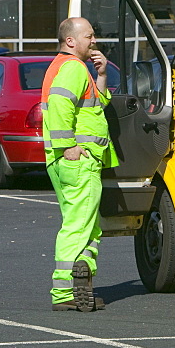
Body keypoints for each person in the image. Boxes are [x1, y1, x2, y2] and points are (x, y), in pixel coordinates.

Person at [43, 17, 116, 312]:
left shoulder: (69, 67)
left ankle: (80, 280)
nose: (94, 41)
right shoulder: (73, 67)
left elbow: (95, 106)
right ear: (71, 41)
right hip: (79, 160)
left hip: (66, 161)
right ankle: (64, 292)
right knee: (78, 226)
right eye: (89, 36)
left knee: (87, 226)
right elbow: (60, 105)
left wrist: (101, 76)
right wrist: (68, 146)